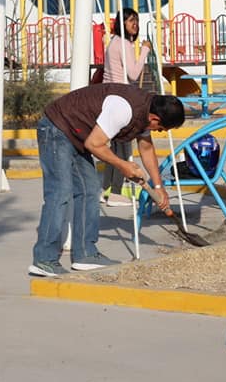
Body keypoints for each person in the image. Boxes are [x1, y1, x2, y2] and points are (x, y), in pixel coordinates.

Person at [28, 83, 185, 276]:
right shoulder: (124, 109)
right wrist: (123, 165)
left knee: (89, 190)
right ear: (154, 118)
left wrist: (158, 186)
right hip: (57, 129)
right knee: (60, 192)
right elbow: (94, 144)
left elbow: (146, 149)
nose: (158, 131)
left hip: (78, 136)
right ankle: (44, 258)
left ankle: (85, 254)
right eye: (160, 128)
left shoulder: (146, 111)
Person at [102, 7, 153, 206]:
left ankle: (104, 189)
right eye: (131, 20)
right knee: (122, 148)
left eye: (136, 20)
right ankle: (114, 192)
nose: (135, 24)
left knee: (114, 148)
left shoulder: (113, 42)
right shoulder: (123, 44)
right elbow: (133, 73)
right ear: (122, 23)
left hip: (110, 96)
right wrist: (145, 51)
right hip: (120, 100)